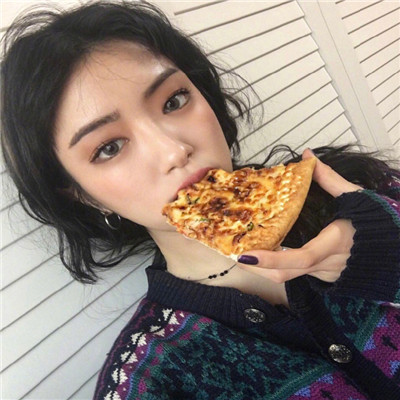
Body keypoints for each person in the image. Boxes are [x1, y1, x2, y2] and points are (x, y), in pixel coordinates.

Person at [1, 1, 399, 399]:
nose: (173, 151)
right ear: (82, 195)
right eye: (109, 147)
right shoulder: (149, 383)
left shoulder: (357, 193)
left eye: (174, 101)